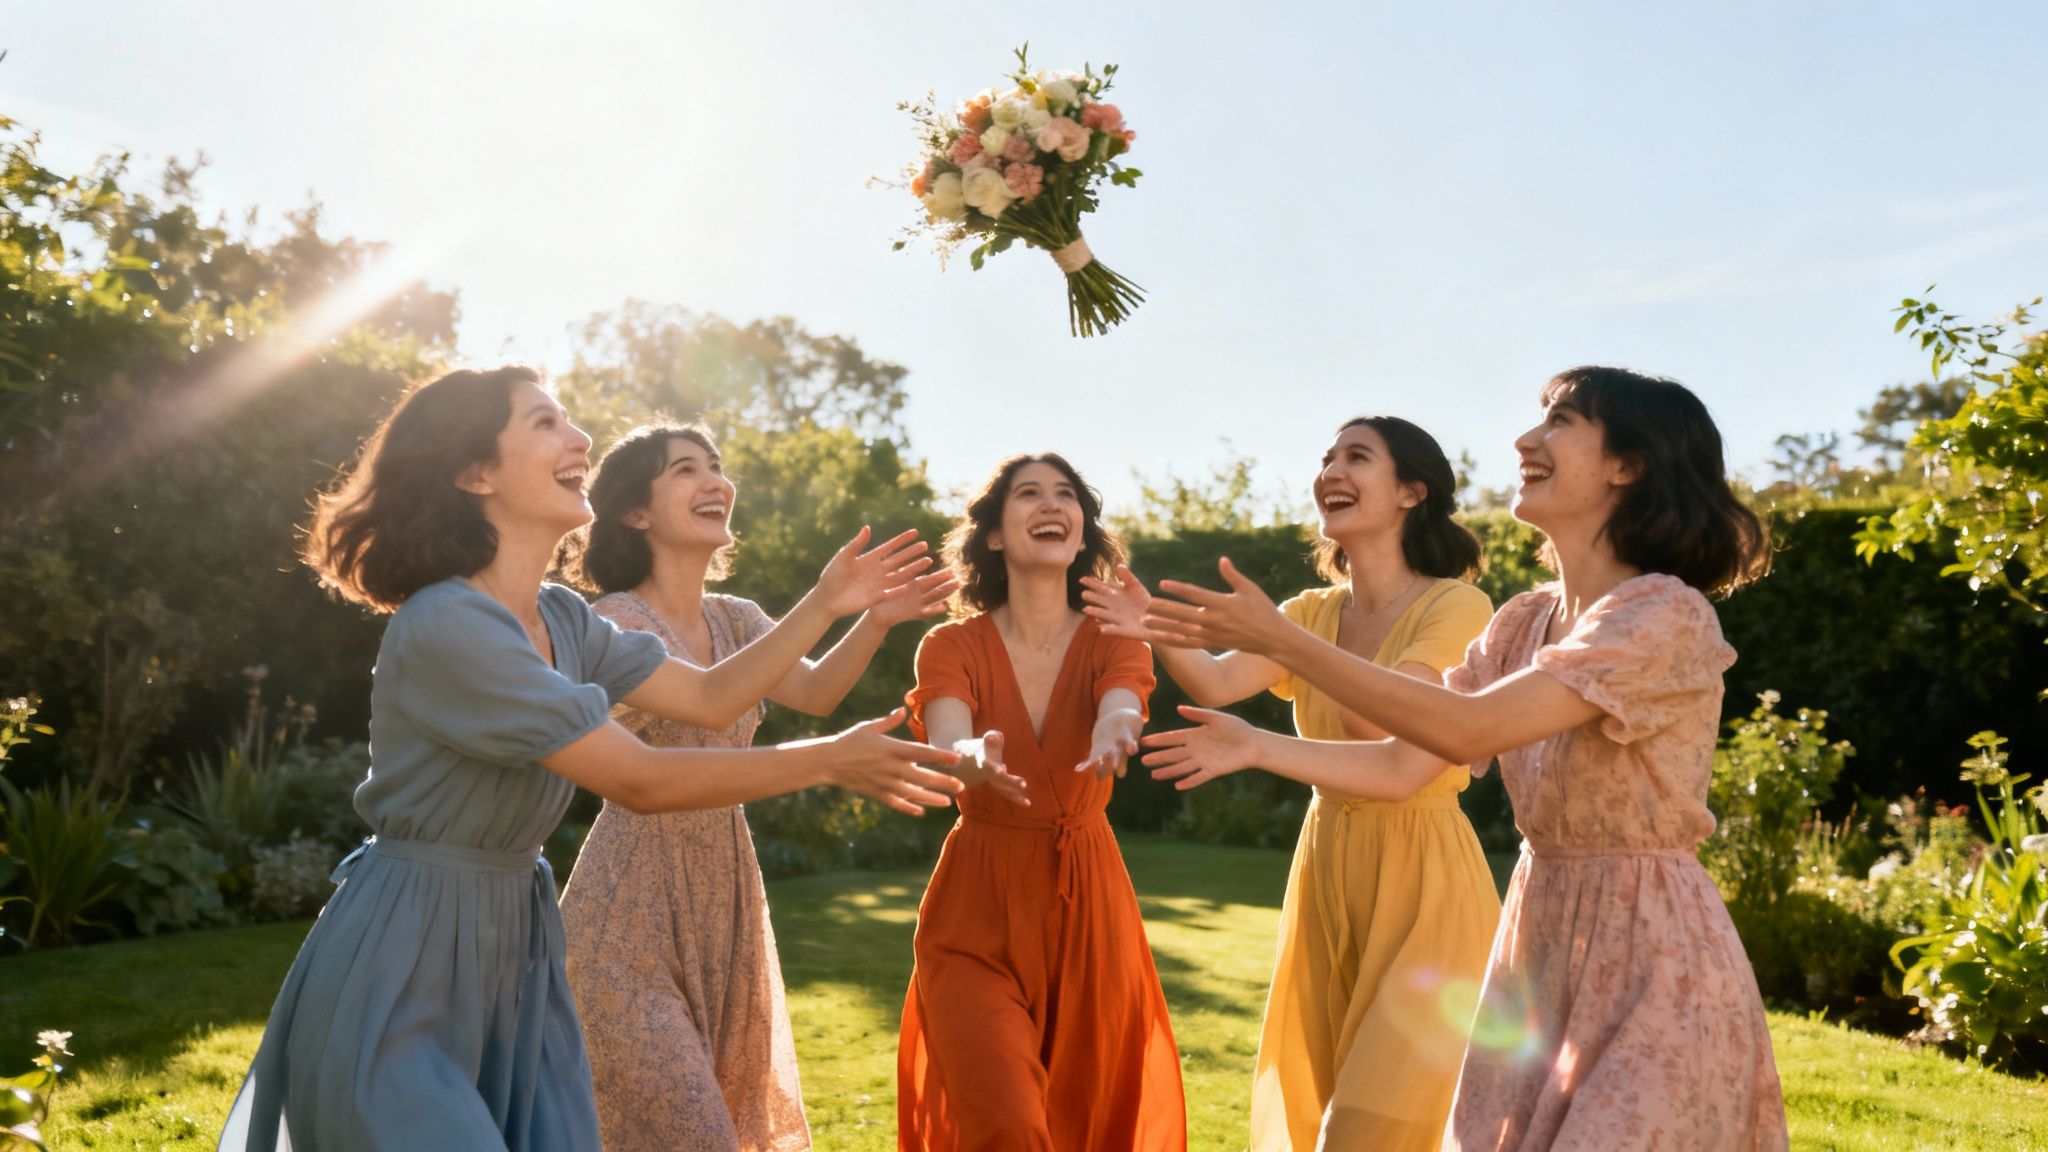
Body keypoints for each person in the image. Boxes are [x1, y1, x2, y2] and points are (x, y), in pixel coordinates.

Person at [218, 366, 965, 1152]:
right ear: (475, 472)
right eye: (545, 423)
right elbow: (637, 778)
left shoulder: (564, 618)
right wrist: (825, 762)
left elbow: (713, 699)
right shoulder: (450, 625)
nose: (579, 439)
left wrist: (827, 601)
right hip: (410, 955)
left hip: (519, 954)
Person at [1140, 367, 1787, 1151]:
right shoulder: (1523, 621)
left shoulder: (1661, 615)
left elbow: (1469, 728)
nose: (1526, 440)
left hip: (1649, 953)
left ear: (1629, 465)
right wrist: (1253, 741)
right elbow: (1403, 766)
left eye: (1561, 422)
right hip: (1538, 943)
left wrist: (1284, 643)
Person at [558, 421, 1019, 1152]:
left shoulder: (736, 617)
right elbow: (710, 697)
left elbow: (817, 693)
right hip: (629, 906)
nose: (715, 481)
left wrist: (871, 622)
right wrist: (824, 600)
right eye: (685, 470)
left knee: (723, 1124)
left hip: (727, 895)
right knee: (688, 1131)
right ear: (634, 512)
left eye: (716, 466)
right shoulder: (612, 621)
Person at [1081, 416, 1497, 1151]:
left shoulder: (1455, 607)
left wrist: (1261, 733)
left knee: (1375, 1125)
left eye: (1356, 457)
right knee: (1317, 1107)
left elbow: (1394, 744)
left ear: (1411, 490)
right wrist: (1148, 625)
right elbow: (1213, 678)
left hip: (1425, 879)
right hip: (1328, 871)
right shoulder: (1310, 613)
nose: (1331, 470)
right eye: (1327, 457)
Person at [896, 453, 1186, 1152]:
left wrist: (1120, 724)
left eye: (1066, 494)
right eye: (1029, 494)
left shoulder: (1114, 637)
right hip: (976, 908)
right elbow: (948, 741)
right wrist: (973, 760)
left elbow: (1123, 698)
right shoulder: (949, 646)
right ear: (995, 534)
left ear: (1081, 529)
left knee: (1086, 1122)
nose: (1051, 504)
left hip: (1088, 901)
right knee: (1007, 1123)